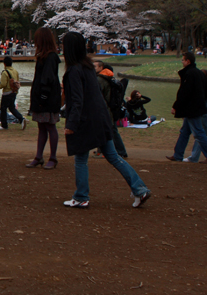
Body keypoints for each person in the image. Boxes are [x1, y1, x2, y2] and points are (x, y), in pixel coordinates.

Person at [61, 32, 151, 209]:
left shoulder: (74, 71)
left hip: (86, 121)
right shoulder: (87, 67)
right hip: (101, 118)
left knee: (81, 158)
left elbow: (78, 100)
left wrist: (71, 124)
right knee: (113, 156)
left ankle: (81, 196)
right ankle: (140, 189)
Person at [26, 27, 61, 169]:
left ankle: (53, 157)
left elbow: (48, 78)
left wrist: (43, 95)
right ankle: (38, 156)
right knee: (41, 126)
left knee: (50, 126)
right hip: (41, 96)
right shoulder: (43, 55)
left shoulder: (51, 57)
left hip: (47, 97)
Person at [166, 52, 207, 162]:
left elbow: (184, 93)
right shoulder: (199, 73)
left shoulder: (190, 74)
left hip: (192, 109)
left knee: (198, 133)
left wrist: (176, 106)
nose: (182, 62)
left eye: (183, 60)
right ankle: (178, 154)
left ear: (188, 61)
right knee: (184, 131)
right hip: (196, 108)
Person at [93, 61, 128, 158]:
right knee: (107, 129)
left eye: (95, 66)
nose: (93, 68)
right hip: (110, 108)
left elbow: (98, 96)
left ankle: (119, 151)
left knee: (110, 130)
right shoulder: (109, 77)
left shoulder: (100, 79)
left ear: (101, 67)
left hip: (105, 109)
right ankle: (104, 151)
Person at [0, 56, 25, 130]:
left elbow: (3, 84)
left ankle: (4, 125)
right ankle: (21, 118)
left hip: (6, 93)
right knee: (12, 108)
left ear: (4, 64)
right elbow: (17, 82)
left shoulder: (5, 73)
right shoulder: (15, 71)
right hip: (14, 92)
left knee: (3, 108)